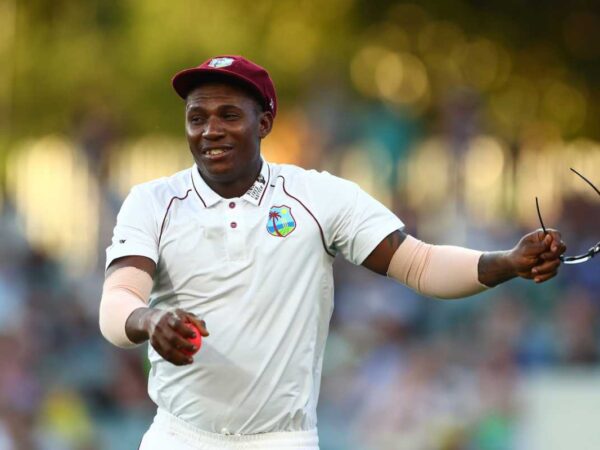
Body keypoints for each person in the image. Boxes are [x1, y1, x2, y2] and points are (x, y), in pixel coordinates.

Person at [99, 55, 566, 450]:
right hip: (180, 436)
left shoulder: (318, 196)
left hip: (283, 440)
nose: (210, 131)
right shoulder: (153, 201)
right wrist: (150, 320)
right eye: (197, 118)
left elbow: (420, 264)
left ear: (264, 123)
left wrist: (507, 262)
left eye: (229, 115)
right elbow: (118, 299)